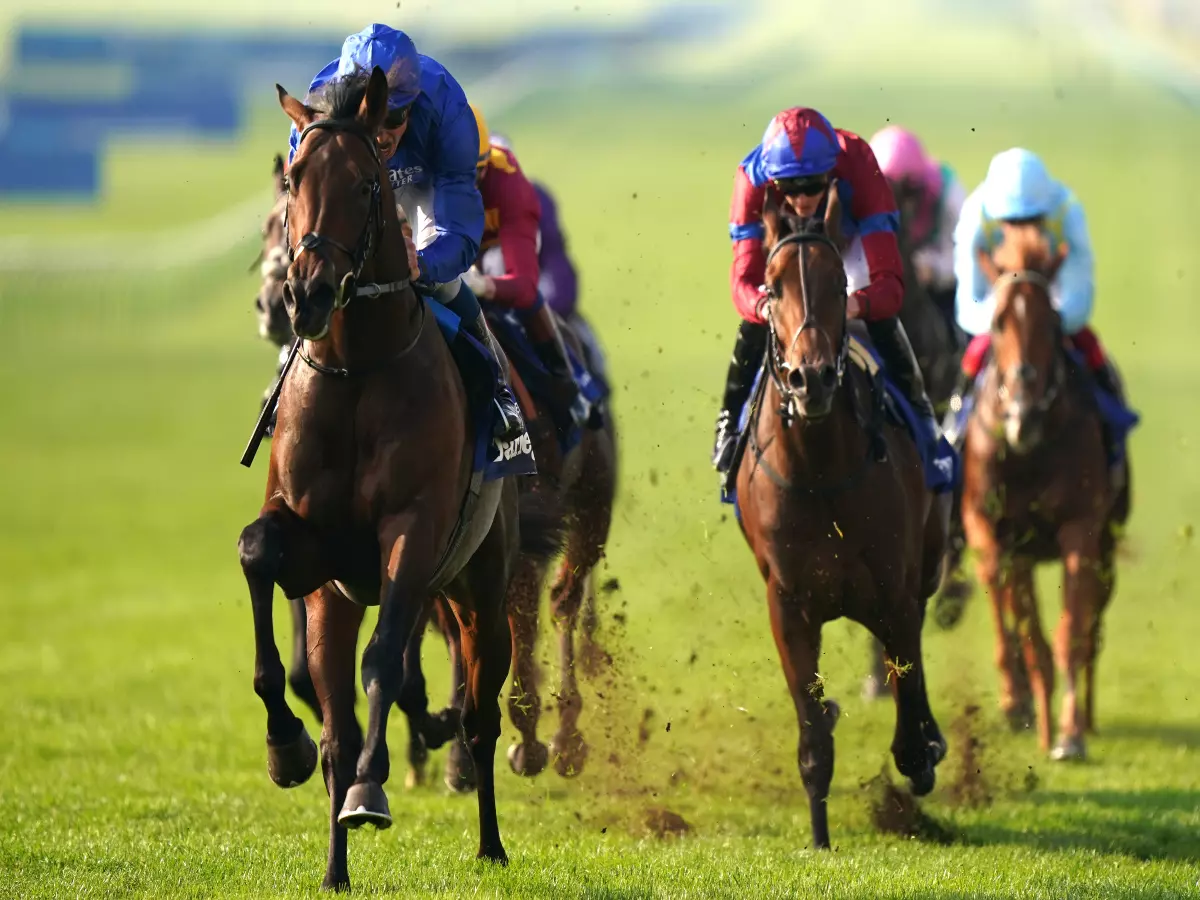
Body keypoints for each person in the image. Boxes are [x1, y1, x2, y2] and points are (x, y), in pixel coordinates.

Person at [291, 24, 524, 441]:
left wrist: (426, 263)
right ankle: (284, 380)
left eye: (393, 116)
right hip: (351, 177)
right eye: (372, 116)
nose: (382, 133)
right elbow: (302, 208)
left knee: (442, 282)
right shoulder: (316, 116)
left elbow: (459, 231)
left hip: (425, 183)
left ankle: (497, 393)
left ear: (413, 106)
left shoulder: (447, 110)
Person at [712, 106, 940, 478]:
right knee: (770, 307)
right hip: (783, 241)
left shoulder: (860, 164)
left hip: (848, 243)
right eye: (790, 189)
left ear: (831, 171)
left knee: (878, 312)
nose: (802, 200)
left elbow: (890, 284)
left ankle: (924, 419)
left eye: (813, 186)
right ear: (773, 181)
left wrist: (858, 303)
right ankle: (728, 421)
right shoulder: (750, 180)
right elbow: (742, 282)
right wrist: (763, 306)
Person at [950, 147, 1124, 429]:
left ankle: (1112, 411)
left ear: (1045, 210)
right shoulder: (974, 215)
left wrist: (1050, 318)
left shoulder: (1068, 211)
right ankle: (954, 417)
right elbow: (968, 303)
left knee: (1089, 345)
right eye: (1011, 221)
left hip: (1051, 296)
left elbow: (1080, 292)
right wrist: (1001, 320)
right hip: (1001, 300)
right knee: (973, 356)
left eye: (1030, 220)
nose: (1020, 229)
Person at [460, 105, 584, 435]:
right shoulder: (415, 172)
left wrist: (484, 286)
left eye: (474, 177)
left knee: (514, 296)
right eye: (455, 178)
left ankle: (566, 387)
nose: (466, 192)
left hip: (502, 271)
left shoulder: (512, 186)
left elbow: (529, 285)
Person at [869, 125, 966, 340]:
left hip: (939, 290)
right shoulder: (862, 201)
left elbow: (966, 256)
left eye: (908, 192)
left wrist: (933, 269)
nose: (900, 203)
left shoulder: (949, 193)